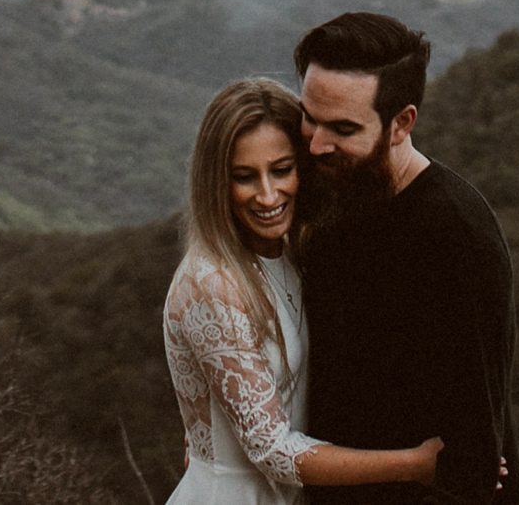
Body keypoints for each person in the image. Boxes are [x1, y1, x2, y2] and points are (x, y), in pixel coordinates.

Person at [163, 78, 444, 504]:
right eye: (244, 177)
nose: (268, 194)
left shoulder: (296, 252)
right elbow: (272, 450)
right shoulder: (212, 284)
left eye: (281, 169)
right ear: (215, 182)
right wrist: (415, 464)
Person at [291, 13, 519, 504]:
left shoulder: (452, 236)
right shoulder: (332, 190)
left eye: (343, 128)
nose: (316, 143)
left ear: (402, 123)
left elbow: (470, 454)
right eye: (309, 116)